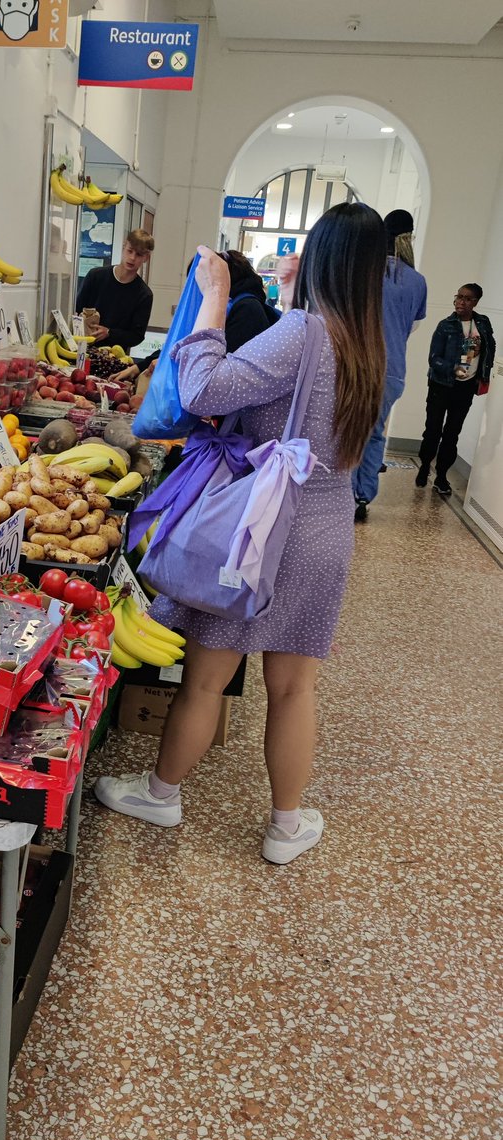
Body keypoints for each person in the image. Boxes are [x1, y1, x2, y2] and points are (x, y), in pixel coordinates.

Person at [95, 203, 387, 865]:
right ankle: (287, 826)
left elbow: (200, 389)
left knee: (204, 682)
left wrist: (218, 296)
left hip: (258, 530)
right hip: (324, 532)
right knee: (293, 689)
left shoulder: (303, 332)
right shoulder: (368, 344)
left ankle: (162, 793)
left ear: (319, 258)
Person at [351, 210, 427, 520]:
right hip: (392, 370)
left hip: (357, 366)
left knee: (347, 431)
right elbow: (412, 328)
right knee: (374, 433)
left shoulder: (363, 271)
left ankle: (337, 492)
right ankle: (362, 497)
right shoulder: (417, 281)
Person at [112, 250, 277, 389]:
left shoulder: (247, 310)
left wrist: (171, 365)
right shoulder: (227, 305)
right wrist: (138, 367)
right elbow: (183, 340)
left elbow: (218, 366)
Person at [416, 283, 496, 495]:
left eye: (467, 298)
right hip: (441, 385)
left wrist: (483, 370)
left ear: (475, 302)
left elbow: (490, 347)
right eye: (459, 297)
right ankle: (424, 466)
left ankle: (442, 475)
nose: (461, 301)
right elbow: (433, 359)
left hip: (465, 387)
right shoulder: (446, 325)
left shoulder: (483, 323)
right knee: (433, 430)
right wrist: (453, 368)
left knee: (452, 433)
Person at [75, 229, 154, 352]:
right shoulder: (95, 276)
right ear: (123, 247)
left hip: (114, 358)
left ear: (146, 258)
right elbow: (76, 311)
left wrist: (109, 333)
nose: (132, 258)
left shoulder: (144, 294)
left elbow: (137, 336)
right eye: (130, 251)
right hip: (80, 349)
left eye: (138, 254)